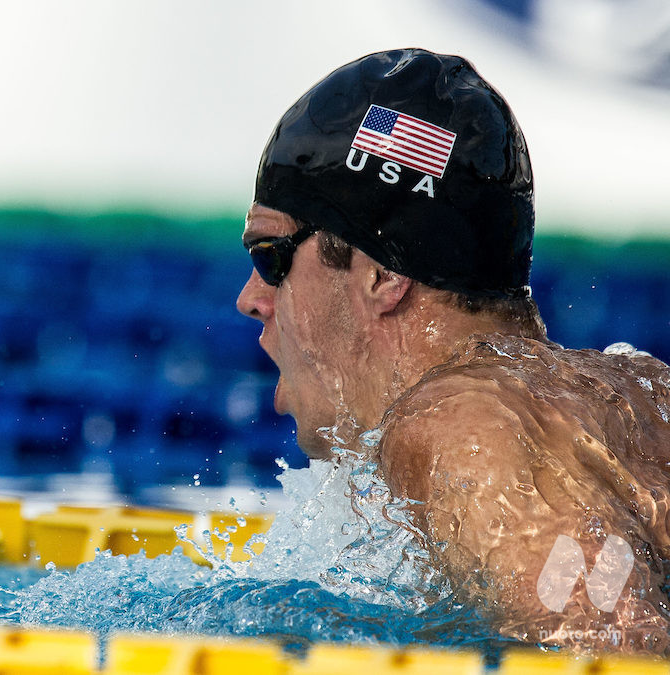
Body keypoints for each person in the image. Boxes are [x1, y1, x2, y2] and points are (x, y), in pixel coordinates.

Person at [236, 48, 670, 654]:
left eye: (269, 258)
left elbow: (614, 656)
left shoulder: (457, 428)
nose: (251, 298)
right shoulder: (636, 393)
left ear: (383, 275)